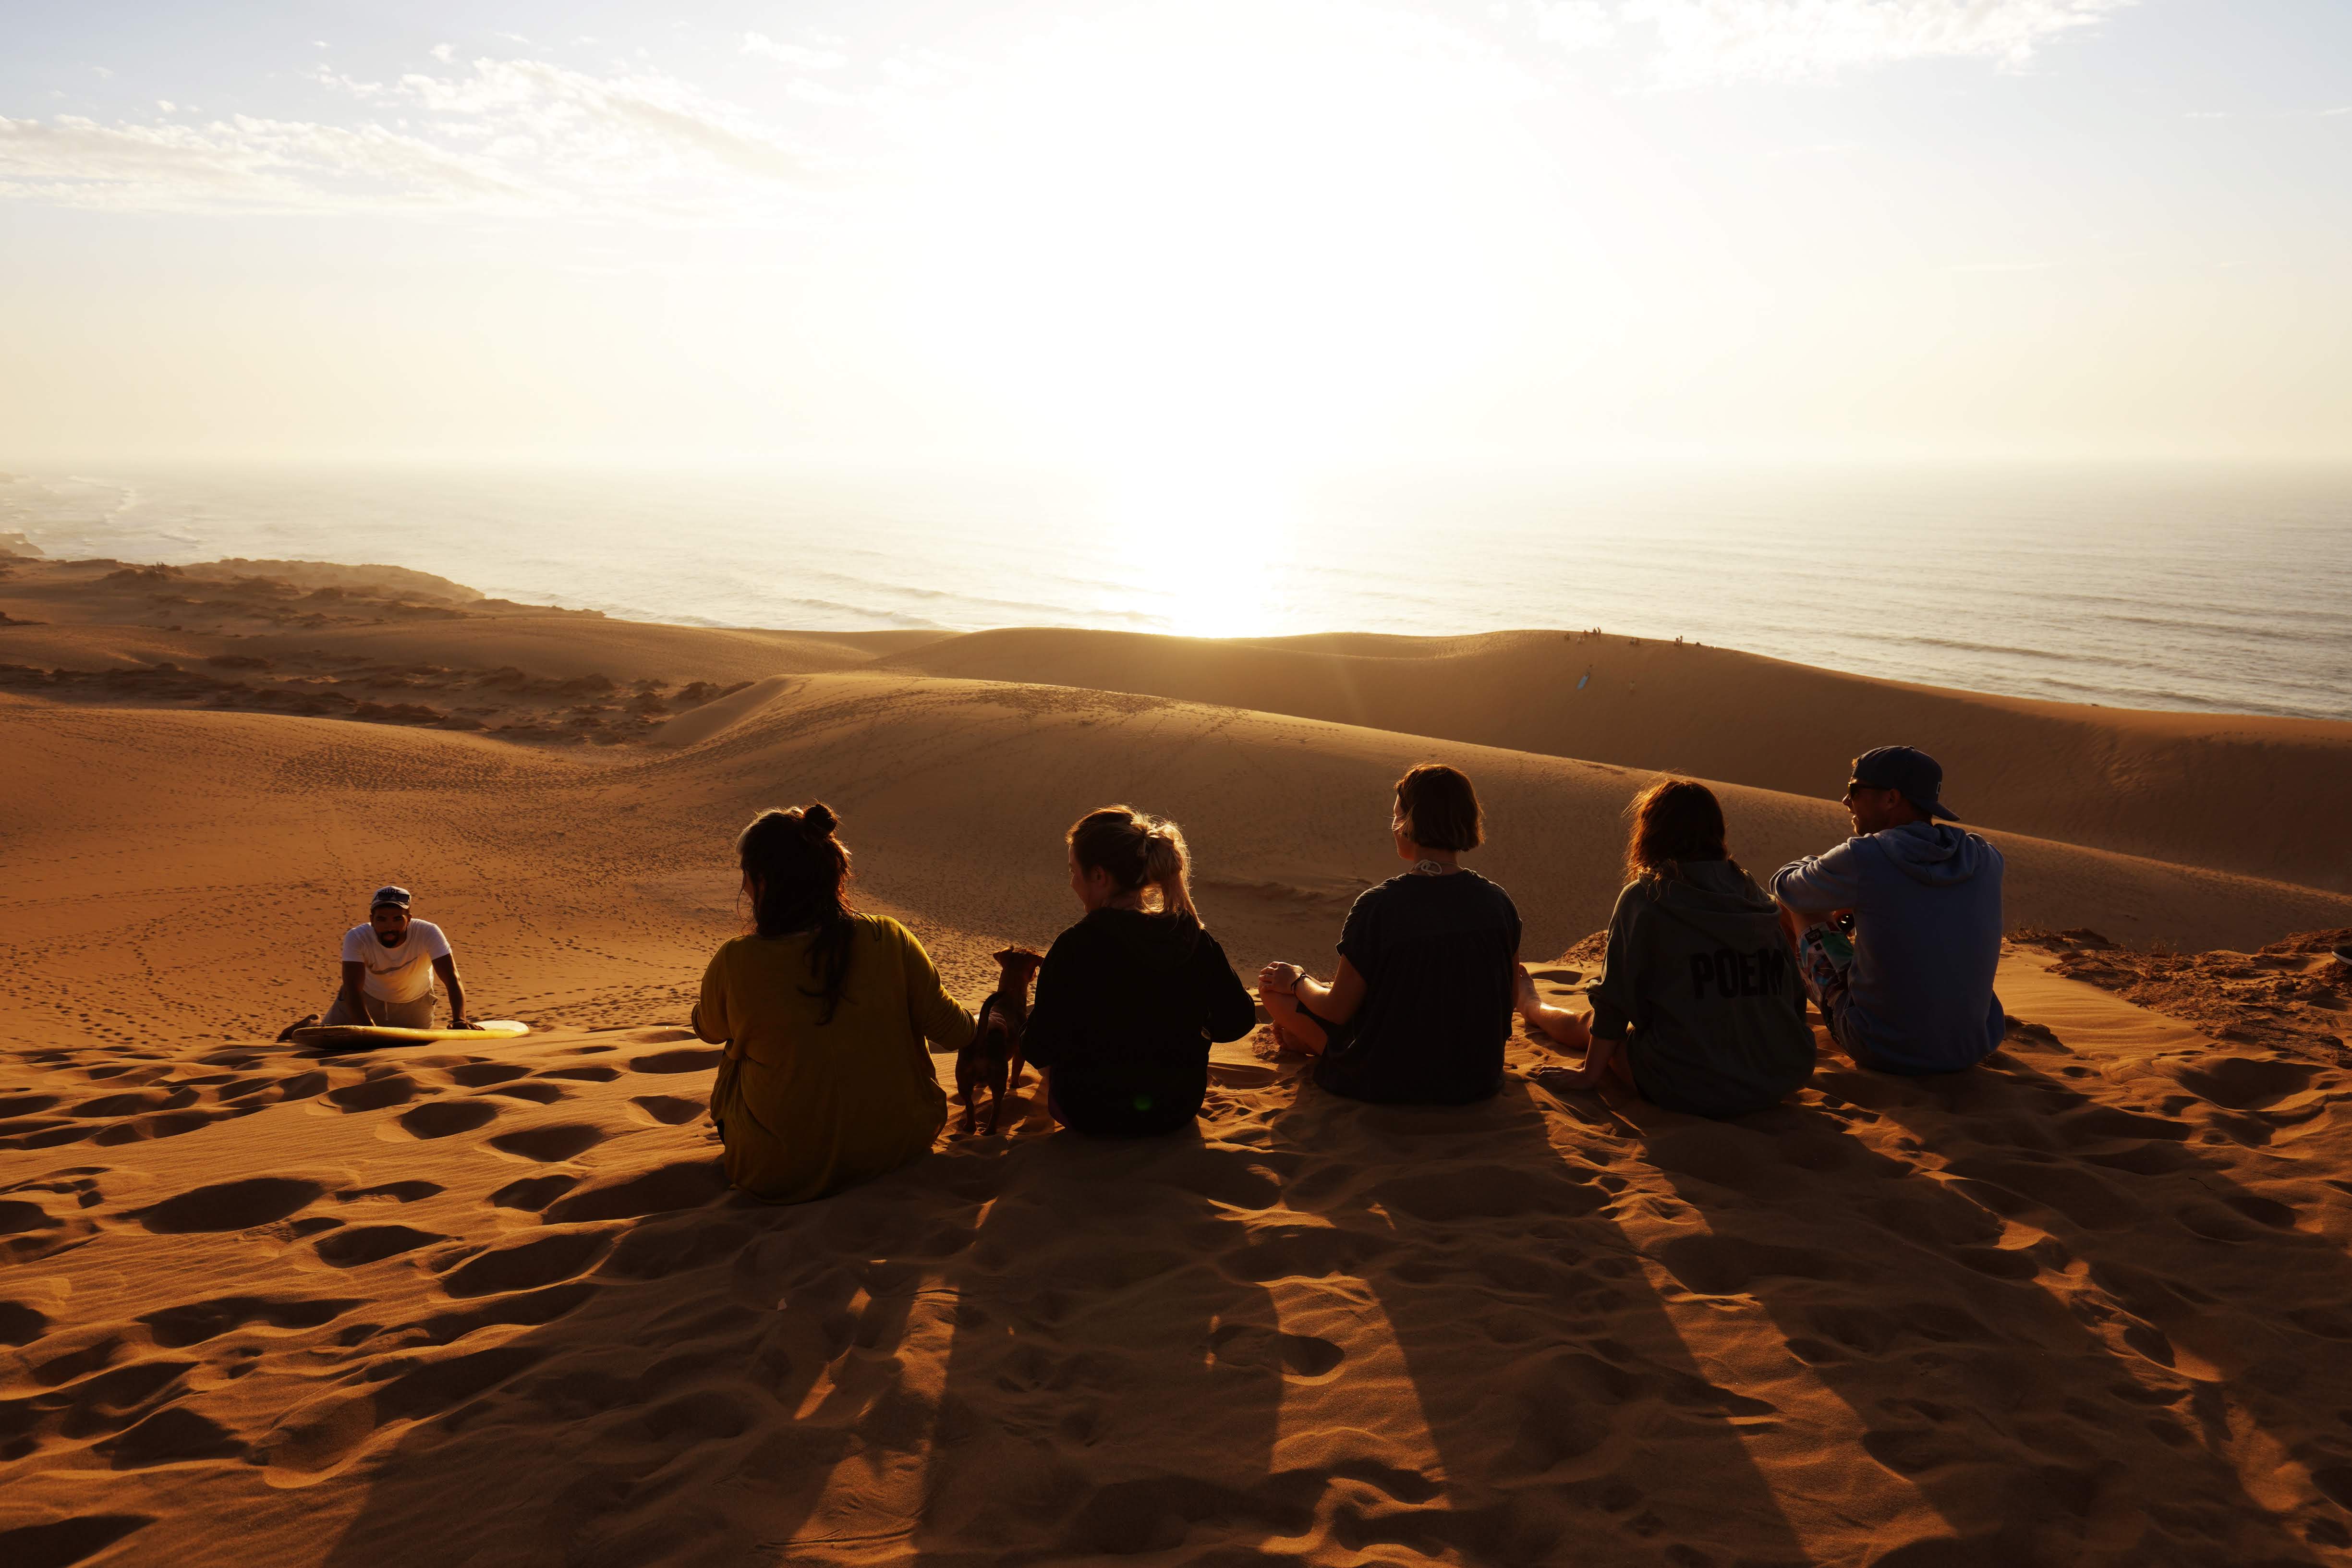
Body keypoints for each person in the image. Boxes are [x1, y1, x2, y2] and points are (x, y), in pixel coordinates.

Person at [691, 803, 973, 1203]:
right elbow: (957, 1031)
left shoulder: (736, 960)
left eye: (746, 875)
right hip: (901, 1142)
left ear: (763, 882)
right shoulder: (891, 938)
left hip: (778, 1170)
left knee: (733, 1054)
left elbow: (707, 1029)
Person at [1520, 779, 1815, 1116]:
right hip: (1779, 1078)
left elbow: (1613, 1004)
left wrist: (1590, 1074)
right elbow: (1793, 997)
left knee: (1594, 1025)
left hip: (1687, 1083)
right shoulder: (1755, 897)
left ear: (1651, 832)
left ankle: (1530, 1003)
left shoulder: (1646, 896)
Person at [1259, 764, 1520, 1106]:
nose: (1393, 825)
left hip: (1386, 1079)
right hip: (1476, 1078)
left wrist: (1296, 980)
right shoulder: (1499, 902)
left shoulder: (1379, 905)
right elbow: (1510, 1001)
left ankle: (1316, 1045)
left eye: (1398, 814)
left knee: (1273, 990)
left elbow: (1337, 1009)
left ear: (1410, 822)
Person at [1020, 806, 1257, 1136]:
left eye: (1074, 871)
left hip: (1089, 1114)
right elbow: (1239, 1019)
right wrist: (1190, 1031)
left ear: (1100, 876)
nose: (1073, 881)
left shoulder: (1075, 947)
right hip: (1176, 1109)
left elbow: (1037, 1048)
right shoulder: (1192, 938)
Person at [1770, 745, 2005, 1075]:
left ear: (1892, 798)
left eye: (1855, 790)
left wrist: (1828, 875)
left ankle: (1775, 1027)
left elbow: (1785, 885)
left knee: (1795, 906)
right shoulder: (1986, 857)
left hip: (1882, 1047)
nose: (1845, 801)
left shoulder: (1866, 857)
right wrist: (1860, 898)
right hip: (1972, 1046)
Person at [323, 885, 470, 1030]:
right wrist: (368, 1030)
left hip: (414, 1003)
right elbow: (352, 989)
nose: (390, 927)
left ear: (409, 919)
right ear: (372, 920)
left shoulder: (428, 933)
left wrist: (460, 1020)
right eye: (382, 919)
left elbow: (452, 978)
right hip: (365, 1000)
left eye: (397, 919)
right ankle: (311, 1022)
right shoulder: (357, 937)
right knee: (327, 1033)